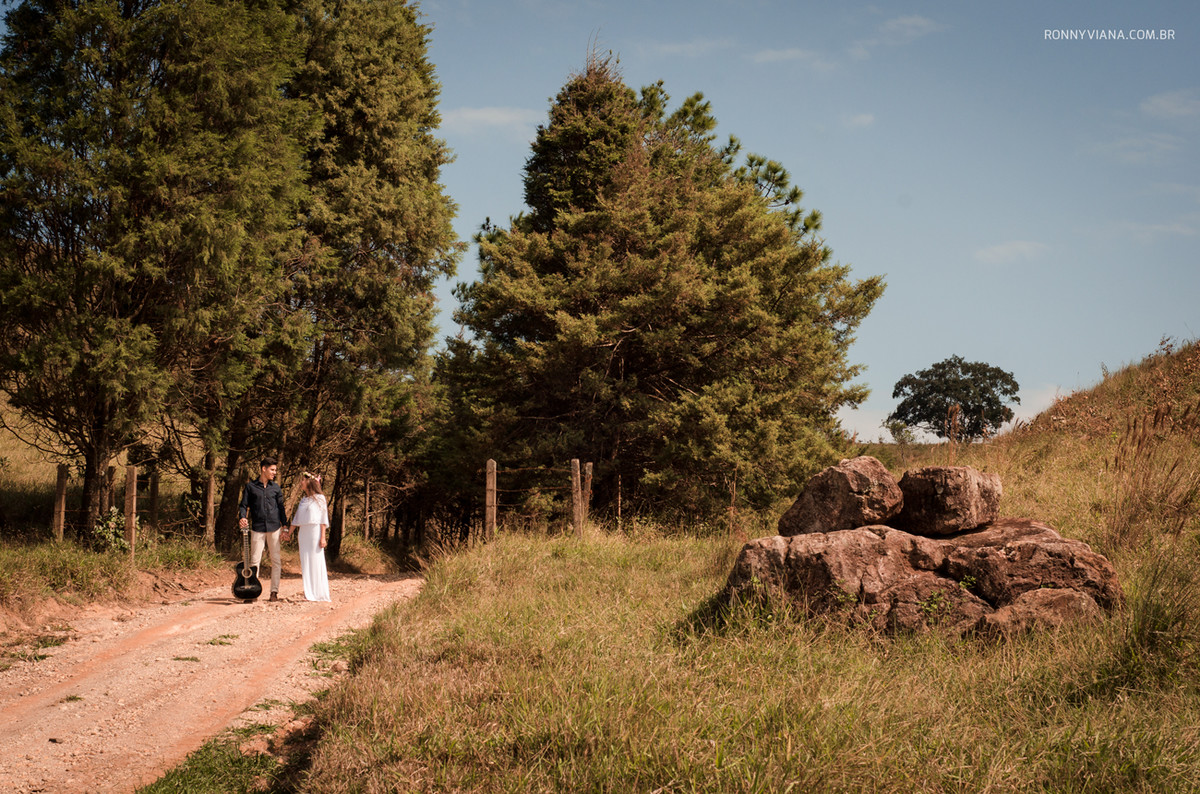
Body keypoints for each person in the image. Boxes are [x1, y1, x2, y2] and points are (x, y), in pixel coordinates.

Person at [238, 456, 289, 602]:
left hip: (274, 528)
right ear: (264, 469)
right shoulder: (250, 487)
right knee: (254, 561)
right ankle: (252, 592)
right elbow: (243, 505)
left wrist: (284, 526)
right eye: (272, 470)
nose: (274, 472)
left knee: (276, 561)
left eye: (275, 470)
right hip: (257, 528)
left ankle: (274, 592)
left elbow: (281, 507)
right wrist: (243, 517)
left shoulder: (276, 488)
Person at [286, 472, 331, 602]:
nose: (301, 483)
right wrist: (288, 533)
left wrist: (323, 537)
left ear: (309, 482)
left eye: (303, 481)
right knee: (305, 562)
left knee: (315, 560)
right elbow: (296, 519)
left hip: (314, 532)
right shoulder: (303, 500)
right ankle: (309, 591)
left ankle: (319, 592)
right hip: (303, 533)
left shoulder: (320, 498)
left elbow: (323, 519)